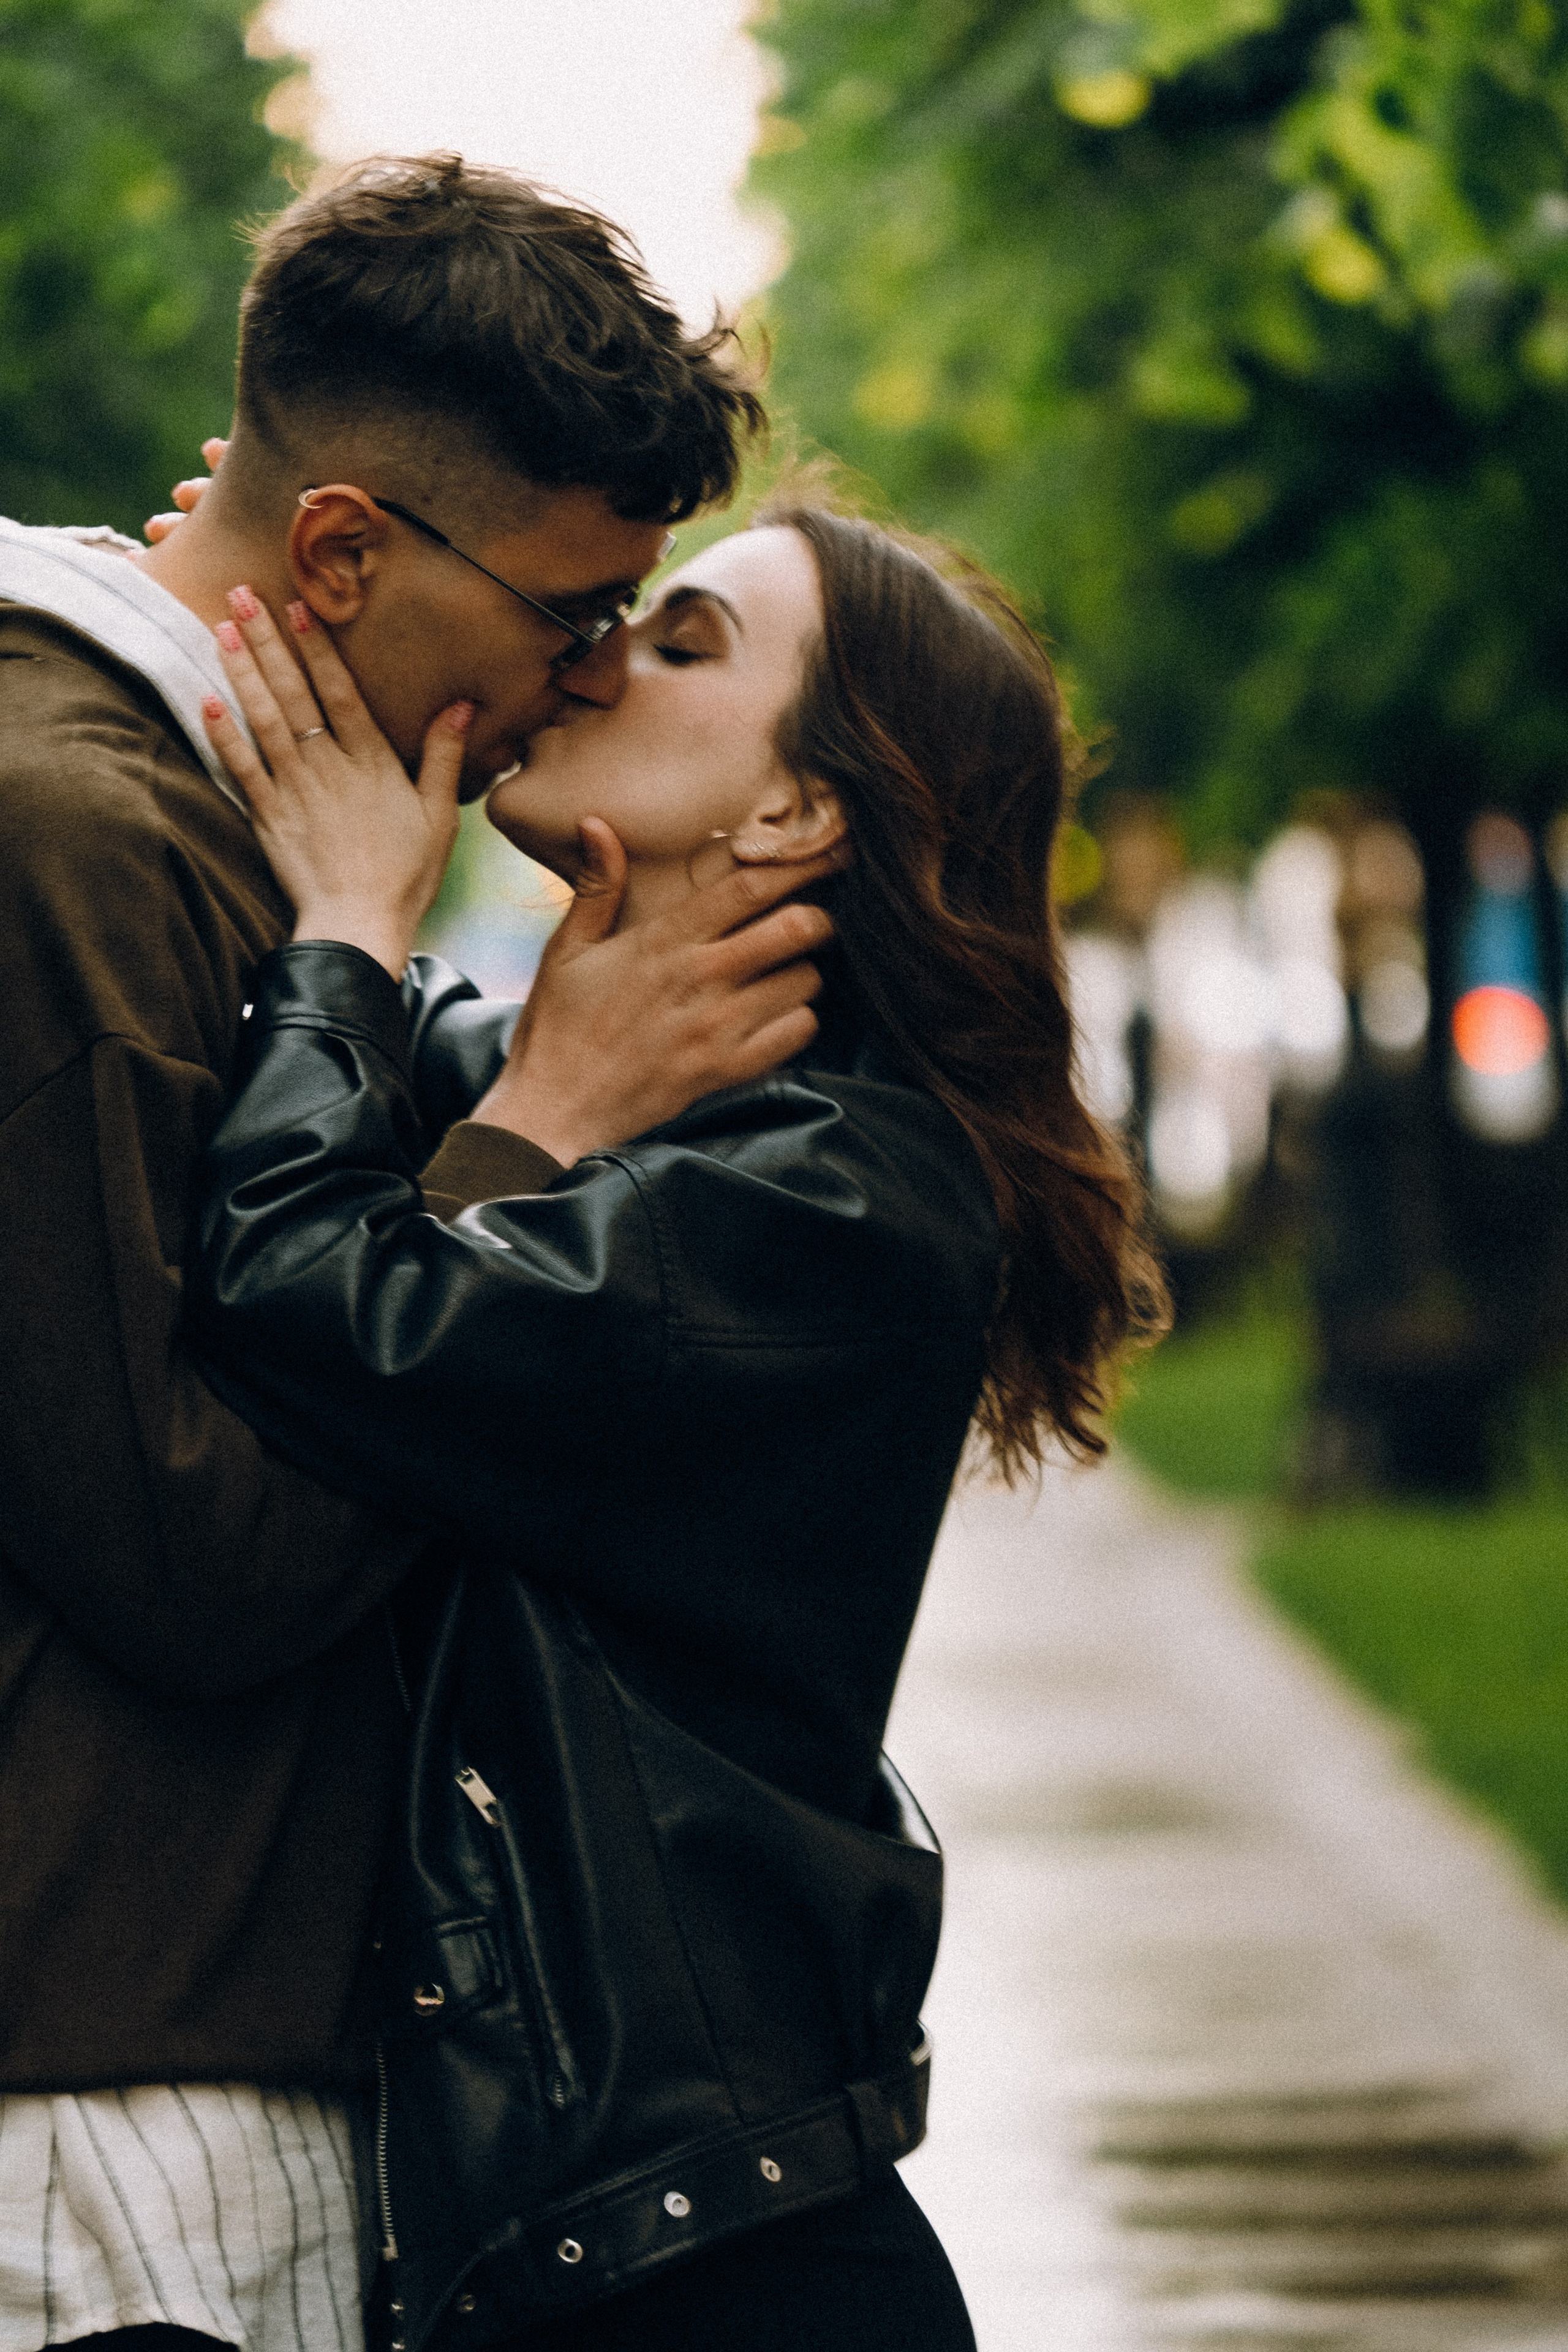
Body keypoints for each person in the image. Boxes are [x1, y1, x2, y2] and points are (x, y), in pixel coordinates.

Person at [0, 156, 838, 2352]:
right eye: (574, 615)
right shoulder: (80, 838)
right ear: (343, 554)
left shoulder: (179, 807)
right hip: (109, 2117)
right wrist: (534, 1139)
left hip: (171, 2045)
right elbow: (199, 1552)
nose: (589, 679)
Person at [183, 498, 1166, 2350]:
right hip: (613, 2251)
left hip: (707, 2278)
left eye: (682, 640)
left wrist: (352, 934)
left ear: (798, 813)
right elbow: (387, 1130)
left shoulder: (837, 1201)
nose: (597, 654)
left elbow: (305, 1302)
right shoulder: (662, 1105)